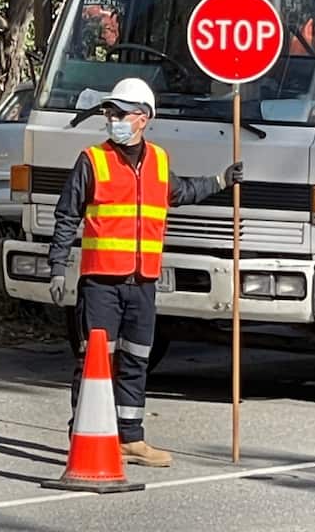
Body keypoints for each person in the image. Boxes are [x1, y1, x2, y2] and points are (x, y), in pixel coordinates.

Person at [48, 77, 243, 467]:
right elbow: (67, 214)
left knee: (137, 359)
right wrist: (57, 266)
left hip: (143, 282)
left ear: (143, 118)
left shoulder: (158, 160)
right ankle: (83, 437)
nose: (111, 119)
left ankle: (131, 439)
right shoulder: (93, 160)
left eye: (119, 113)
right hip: (101, 282)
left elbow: (181, 192)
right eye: (109, 113)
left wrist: (221, 181)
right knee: (96, 362)